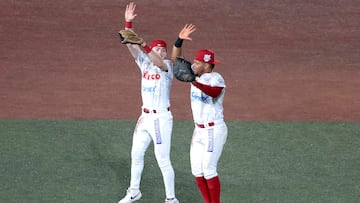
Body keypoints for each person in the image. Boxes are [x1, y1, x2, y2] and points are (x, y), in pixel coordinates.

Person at [118, 2, 195, 203]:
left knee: (162, 159)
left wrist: (145, 45)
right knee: (136, 154)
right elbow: (130, 44)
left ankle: (171, 199)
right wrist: (128, 24)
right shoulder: (144, 62)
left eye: (162, 48)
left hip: (161, 118)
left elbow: (157, 61)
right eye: (157, 48)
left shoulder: (168, 66)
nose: (159, 51)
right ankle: (134, 191)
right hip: (144, 117)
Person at [172, 37, 228, 202]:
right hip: (199, 130)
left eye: (197, 63)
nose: (193, 65)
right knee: (197, 171)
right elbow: (176, 60)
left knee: (209, 170)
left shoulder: (216, 78)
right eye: (194, 62)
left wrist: (194, 81)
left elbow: (214, 92)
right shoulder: (194, 75)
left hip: (214, 130)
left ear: (207, 65)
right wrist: (179, 41)